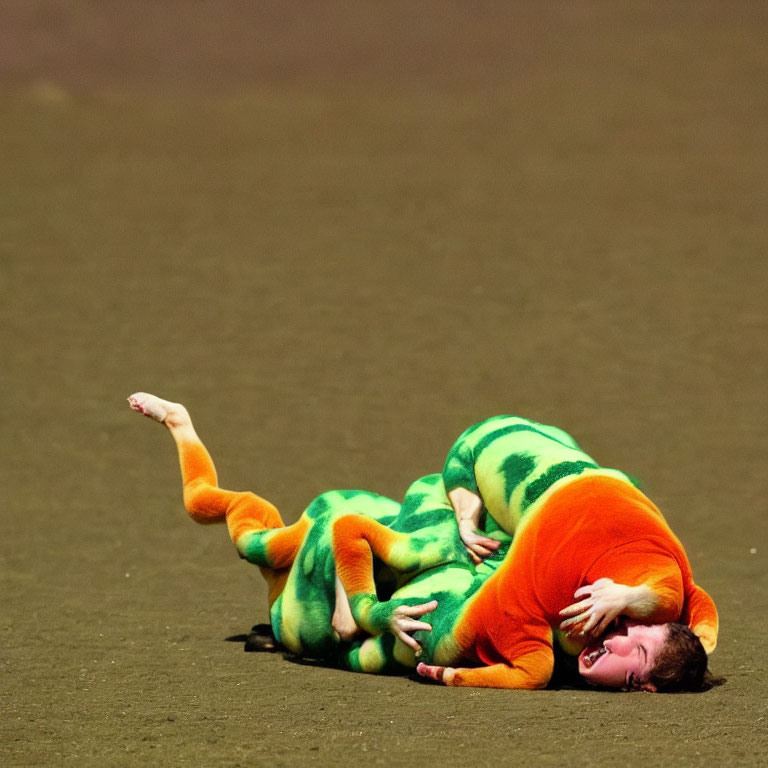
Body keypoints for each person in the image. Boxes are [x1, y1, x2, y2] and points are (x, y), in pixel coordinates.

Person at [128, 395, 719, 691]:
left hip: (372, 547)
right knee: (248, 532)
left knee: (304, 616)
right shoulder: (439, 556)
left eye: (633, 645)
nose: (615, 631)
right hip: (339, 534)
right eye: (630, 632)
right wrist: (361, 609)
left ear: (641, 687)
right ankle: (182, 424)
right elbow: (346, 531)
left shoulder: (561, 633)